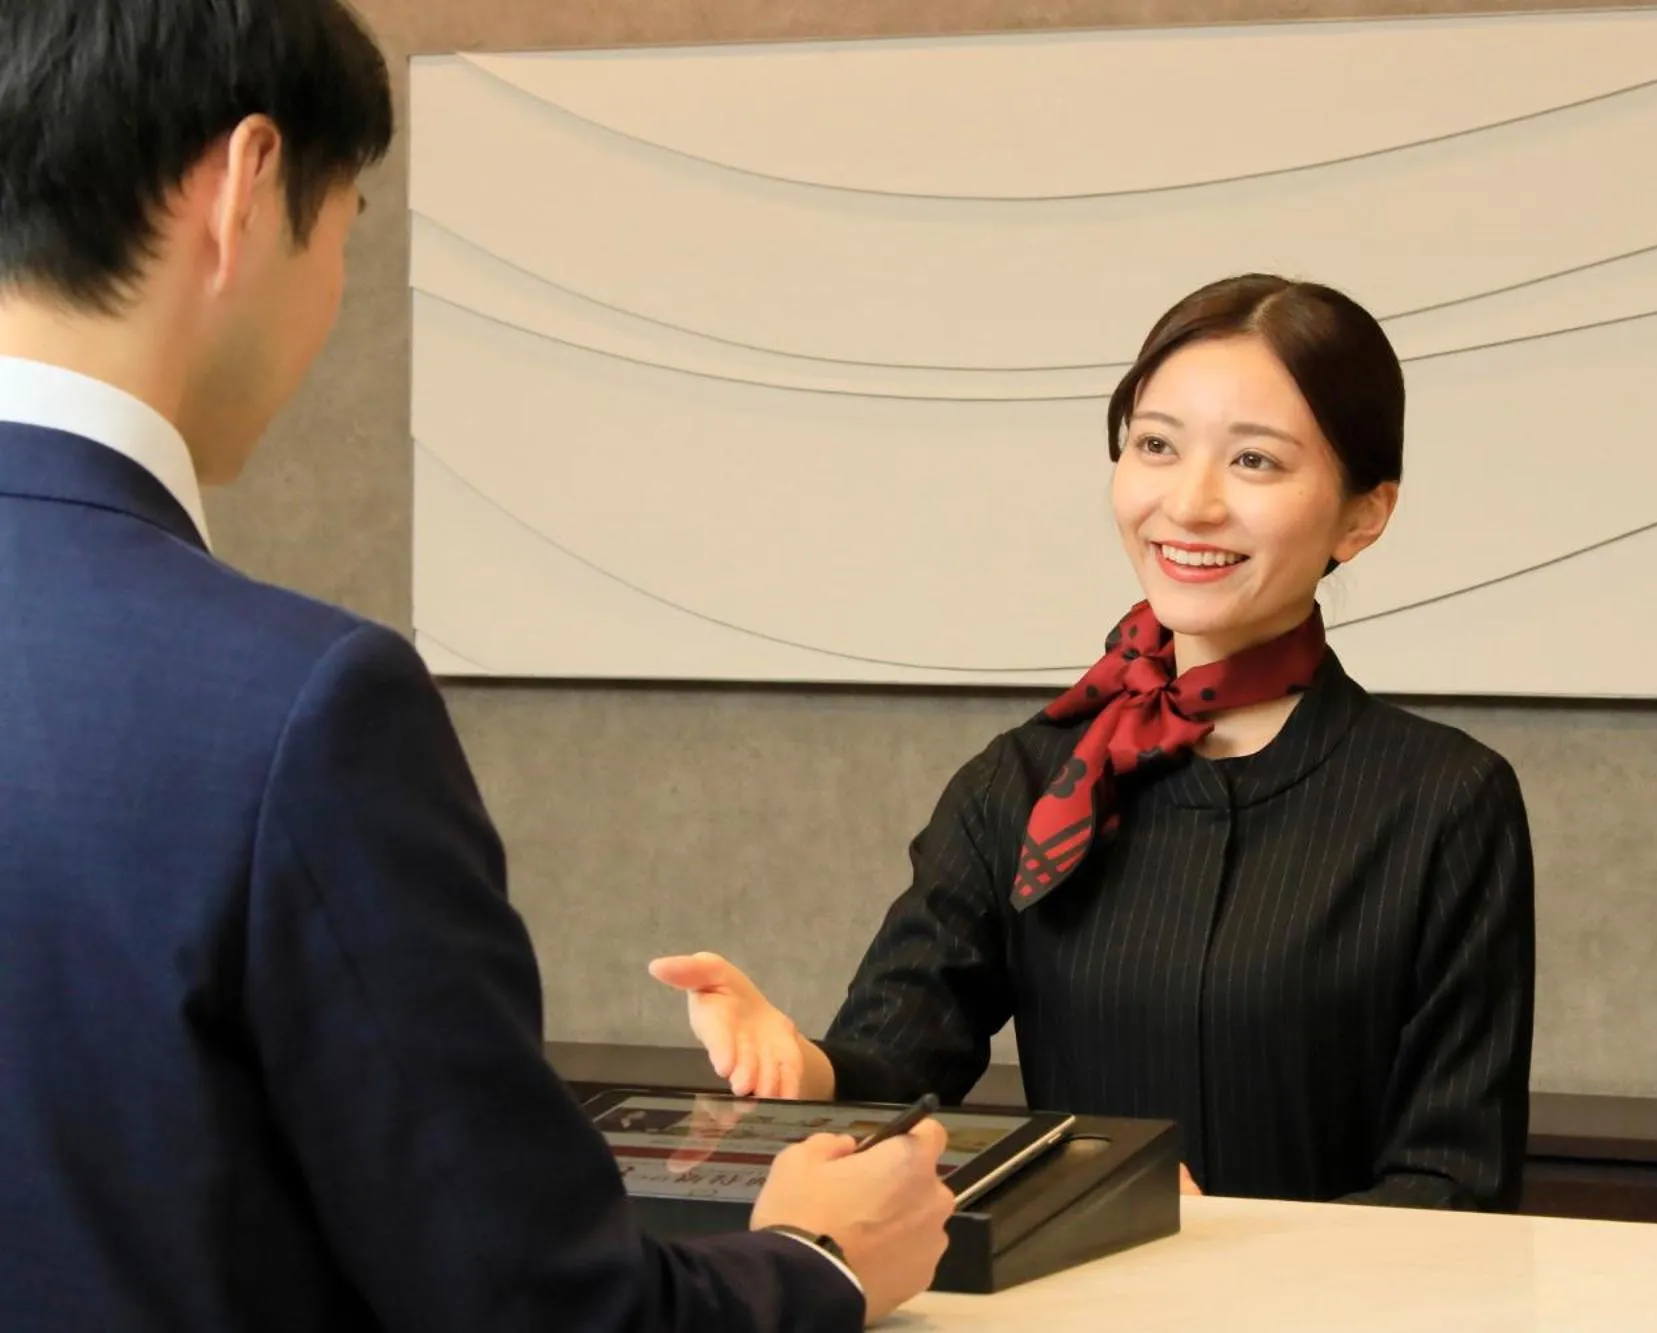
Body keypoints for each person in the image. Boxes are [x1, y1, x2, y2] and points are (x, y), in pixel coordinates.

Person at [0, 3, 950, 1331]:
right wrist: (820, 1259)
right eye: (349, 223)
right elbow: (531, 1308)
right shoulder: (299, 708)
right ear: (246, 184)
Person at [653, 274, 1537, 1209]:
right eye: (1156, 446)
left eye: (1256, 462)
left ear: (1364, 514)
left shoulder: (1444, 799)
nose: (1190, 505)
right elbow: (898, 1065)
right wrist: (797, 1066)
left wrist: (1250, 1253)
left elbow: (1456, 1182)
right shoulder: (1028, 779)